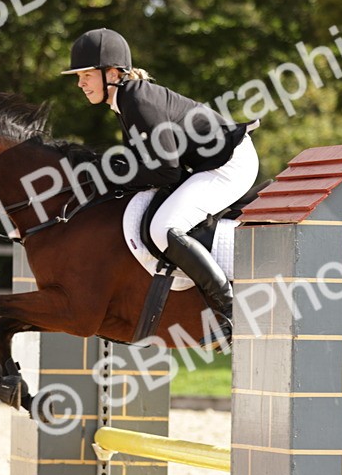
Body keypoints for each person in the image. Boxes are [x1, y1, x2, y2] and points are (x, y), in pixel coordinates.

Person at [61, 27, 259, 345]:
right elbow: (149, 166)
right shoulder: (126, 101)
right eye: (79, 77)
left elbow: (166, 171)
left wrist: (113, 175)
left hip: (229, 164)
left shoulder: (137, 100)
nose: (80, 83)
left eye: (86, 75)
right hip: (209, 164)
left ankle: (230, 310)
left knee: (164, 228)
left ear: (112, 73)